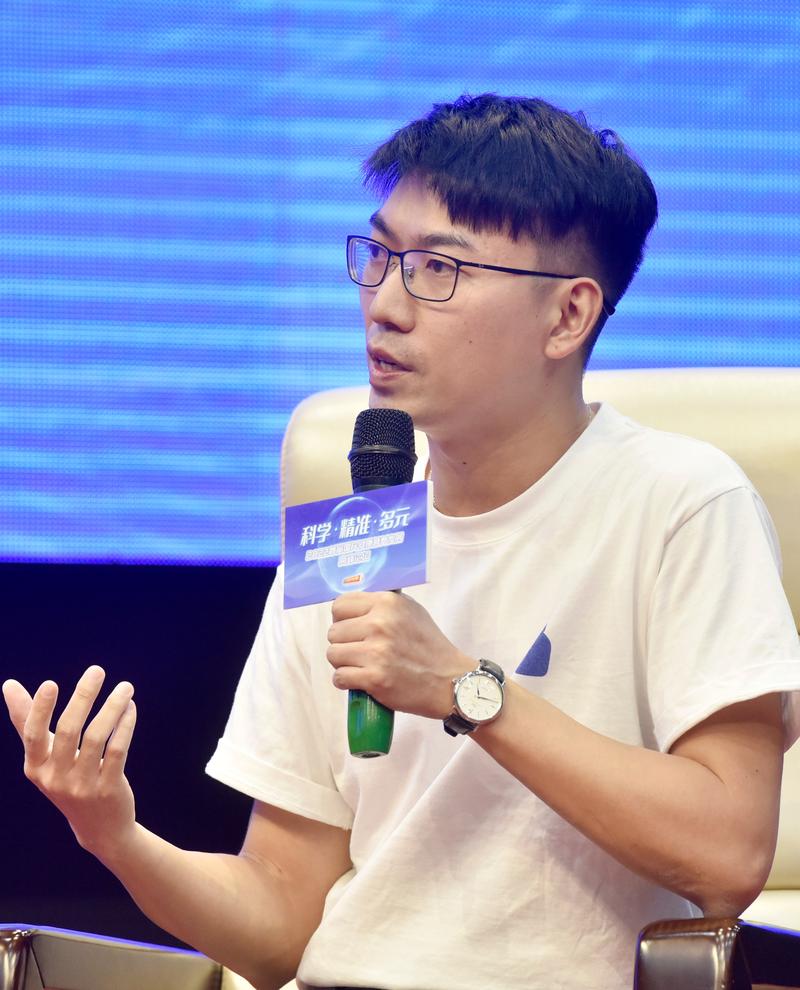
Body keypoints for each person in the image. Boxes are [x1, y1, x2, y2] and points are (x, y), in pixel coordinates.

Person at [4, 93, 800, 990]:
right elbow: (278, 925)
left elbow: (728, 851)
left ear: (568, 316)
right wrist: (116, 837)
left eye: (438, 270)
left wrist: (464, 690)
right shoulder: (351, 539)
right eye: (380, 256)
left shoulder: (681, 504)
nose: (384, 304)